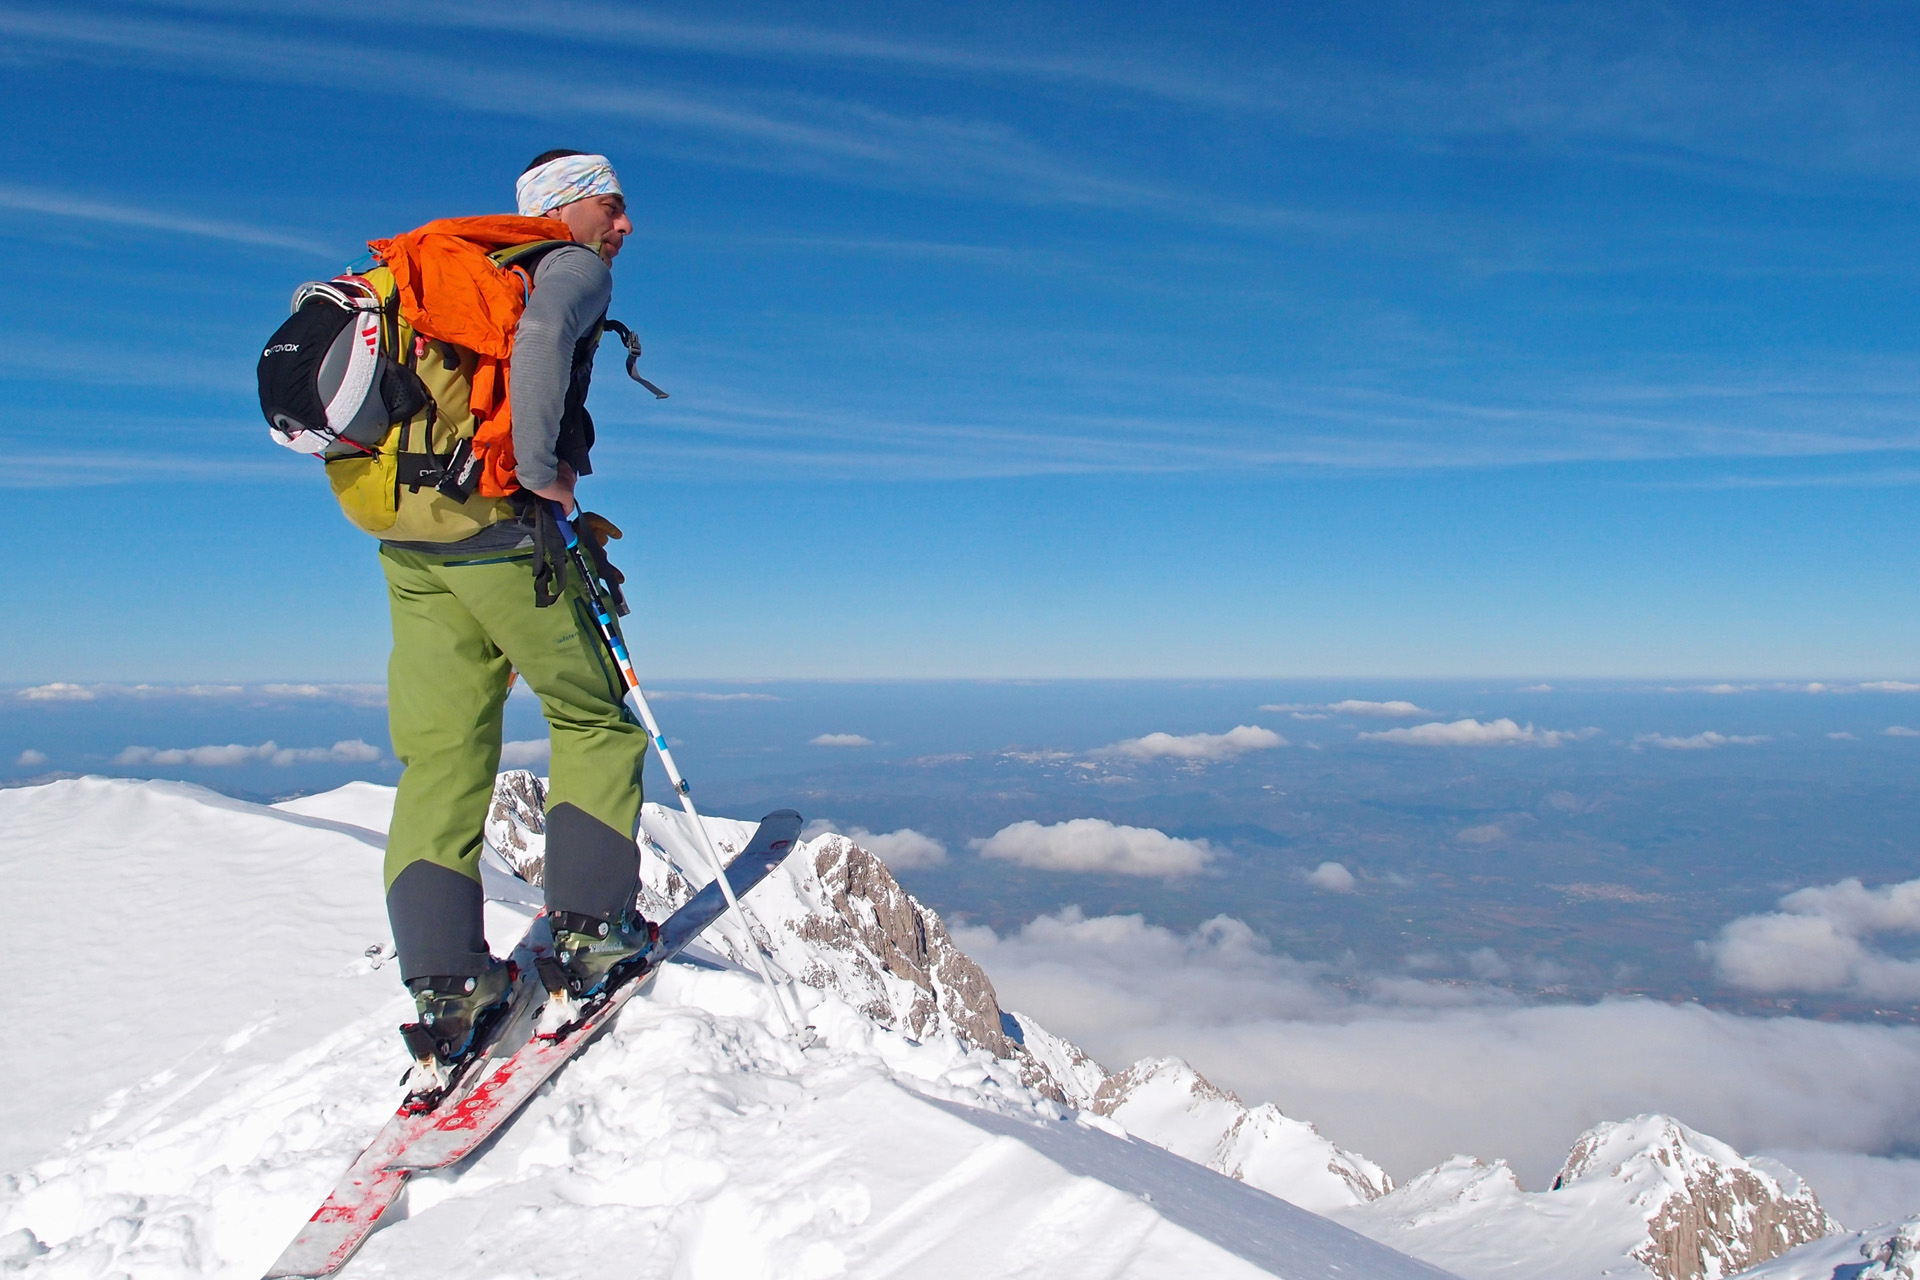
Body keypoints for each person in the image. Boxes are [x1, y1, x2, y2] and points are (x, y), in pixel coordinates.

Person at [378, 151, 655, 1063]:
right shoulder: (564, 266)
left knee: (442, 750)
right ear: (567, 207)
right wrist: (542, 473)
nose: (624, 228)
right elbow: (539, 345)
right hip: (499, 527)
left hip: (413, 541)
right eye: (612, 208)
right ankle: (592, 935)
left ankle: (447, 987)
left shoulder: (439, 274)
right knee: (593, 715)